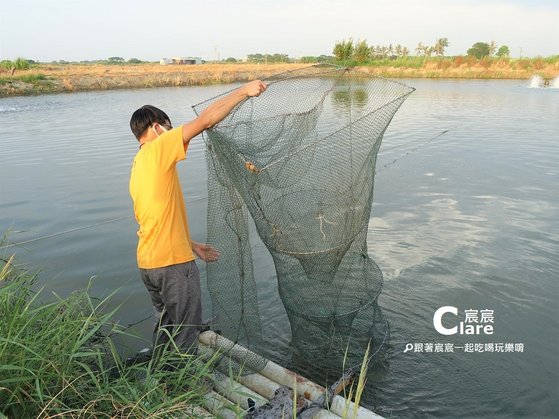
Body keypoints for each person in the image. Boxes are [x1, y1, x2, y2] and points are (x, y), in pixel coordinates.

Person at [129, 80, 267, 355]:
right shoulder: (159, 148)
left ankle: (163, 377)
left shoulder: (139, 166)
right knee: (185, 330)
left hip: (149, 263)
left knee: (167, 325)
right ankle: (187, 388)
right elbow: (205, 120)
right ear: (157, 127)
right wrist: (243, 91)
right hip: (172, 266)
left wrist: (191, 244)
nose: (171, 132)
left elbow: (154, 218)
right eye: (168, 126)